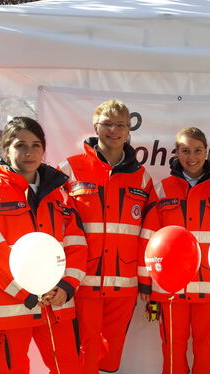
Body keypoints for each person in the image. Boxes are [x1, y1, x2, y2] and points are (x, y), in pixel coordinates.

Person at [0, 117, 86, 373]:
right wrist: (28, 289)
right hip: (7, 307)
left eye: (36, 145)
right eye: (20, 145)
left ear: (44, 149)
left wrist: (66, 286)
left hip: (56, 303)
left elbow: (76, 243)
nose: (29, 152)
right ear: (6, 150)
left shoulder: (59, 195)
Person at [58, 99, 156, 374]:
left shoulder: (142, 177)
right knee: (82, 350)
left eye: (120, 125)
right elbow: (52, 223)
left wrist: (146, 282)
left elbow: (148, 235)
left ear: (128, 131)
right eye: (108, 124)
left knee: (113, 351)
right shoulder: (69, 169)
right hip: (81, 281)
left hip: (124, 285)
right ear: (95, 127)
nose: (114, 130)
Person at [140, 126, 210, 374]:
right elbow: (148, 239)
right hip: (170, 291)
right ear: (176, 153)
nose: (191, 157)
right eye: (185, 150)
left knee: (207, 351)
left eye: (197, 150)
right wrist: (145, 283)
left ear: (207, 152)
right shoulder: (162, 190)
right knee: (172, 351)